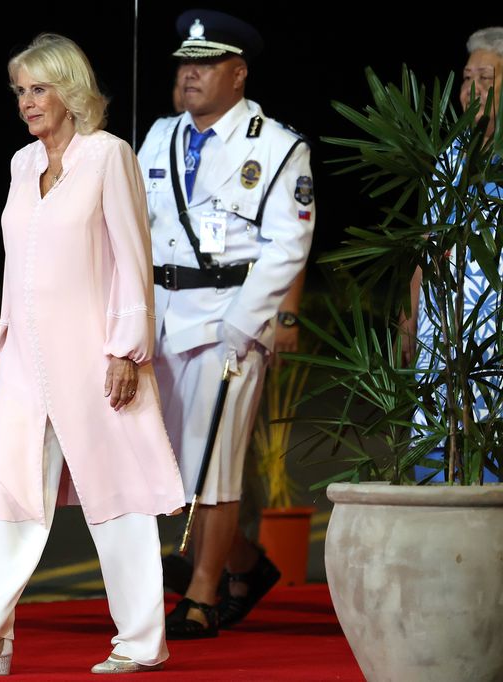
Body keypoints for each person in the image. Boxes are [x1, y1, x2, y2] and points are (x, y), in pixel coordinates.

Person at [0, 34, 185, 677]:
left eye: (38, 89)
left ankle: (143, 641)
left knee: (116, 495)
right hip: (24, 359)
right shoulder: (19, 165)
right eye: (19, 92)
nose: (27, 102)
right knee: (8, 493)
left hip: (96, 357)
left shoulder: (107, 155)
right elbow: (17, 266)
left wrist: (127, 348)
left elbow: (131, 255)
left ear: (71, 90)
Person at [138, 10, 315, 639]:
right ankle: (244, 564)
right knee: (173, 467)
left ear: (237, 74)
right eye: (185, 64)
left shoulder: (277, 146)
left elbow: (287, 245)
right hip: (161, 319)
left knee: (214, 465)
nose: (189, 75)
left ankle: (204, 594)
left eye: (205, 64)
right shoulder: (157, 137)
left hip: (227, 320)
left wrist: (246, 325)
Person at [400, 26, 502, 483]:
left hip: (493, 336)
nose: (471, 90)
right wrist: (410, 310)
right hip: (441, 334)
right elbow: (429, 243)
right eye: (466, 78)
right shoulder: (449, 155)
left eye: (486, 77)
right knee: (435, 451)